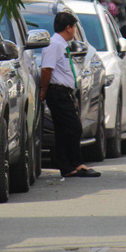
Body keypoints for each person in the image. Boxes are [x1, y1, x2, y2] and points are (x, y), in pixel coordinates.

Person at [40, 11, 101, 178]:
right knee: (74, 128)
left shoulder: (61, 44)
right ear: (68, 28)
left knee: (64, 130)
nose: (74, 31)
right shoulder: (54, 44)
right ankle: (75, 163)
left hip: (64, 92)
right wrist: (44, 90)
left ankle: (67, 166)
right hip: (57, 92)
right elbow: (46, 69)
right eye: (74, 27)